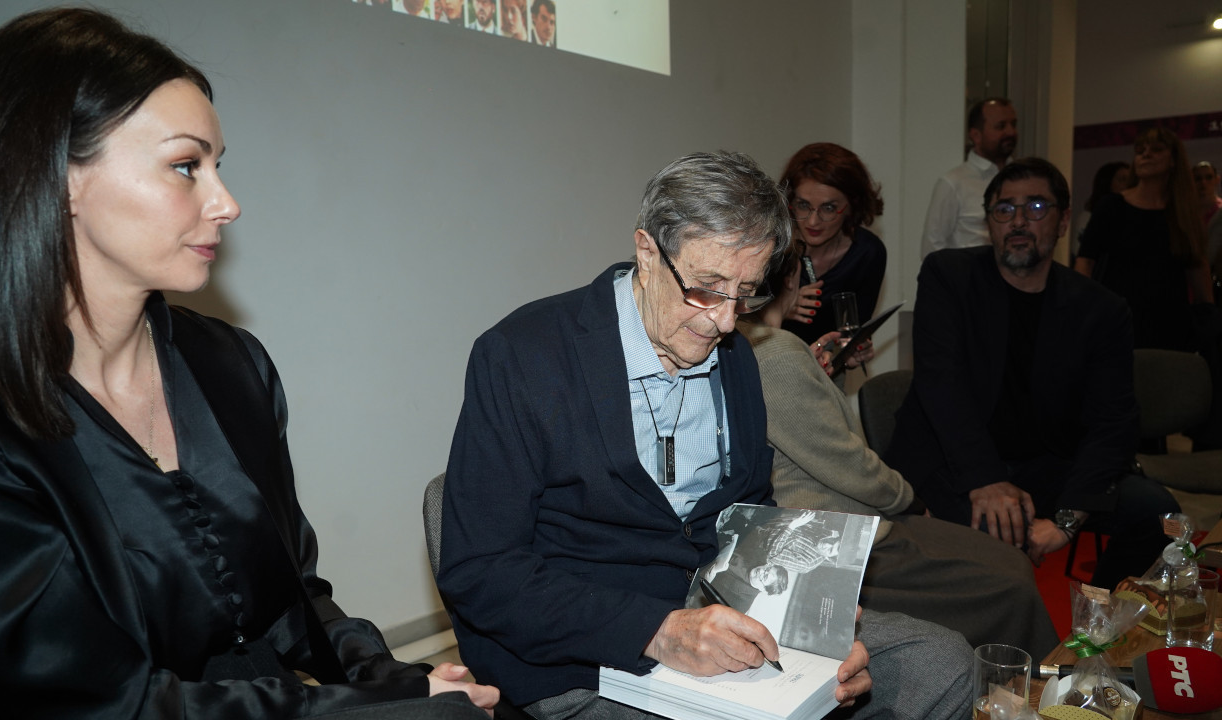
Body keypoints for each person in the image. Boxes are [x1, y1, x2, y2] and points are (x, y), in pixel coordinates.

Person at [0, 9, 498, 719]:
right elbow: (99, 703)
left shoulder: (231, 364)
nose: (227, 204)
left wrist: (399, 681)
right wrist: (373, 711)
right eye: (185, 167)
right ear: (59, 175)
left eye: (218, 167)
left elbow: (295, 599)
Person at [439, 150, 974, 720]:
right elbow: (481, 571)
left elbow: (749, 513)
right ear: (648, 253)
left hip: (723, 619)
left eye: (746, 292)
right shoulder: (523, 357)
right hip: (587, 654)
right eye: (707, 287)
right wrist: (658, 630)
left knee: (942, 662)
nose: (724, 321)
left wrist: (809, 616)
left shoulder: (735, 354)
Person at [737, 253, 1060, 660]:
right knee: (1011, 582)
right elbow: (845, 462)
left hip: (843, 518)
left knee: (1009, 564)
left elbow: (801, 432)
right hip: (840, 531)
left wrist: (818, 370)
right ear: (791, 277)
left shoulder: (755, 343)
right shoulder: (775, 351)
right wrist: (909, 498)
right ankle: (1022, 683)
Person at [885, 158, 1180, 590]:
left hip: (1049, 466)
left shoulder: (1101, 309)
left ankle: (1098, 615)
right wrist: (985, 479)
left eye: (1036, 207)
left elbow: (1114, 421)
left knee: (1157, 513)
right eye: (1004, 209)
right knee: (994, 550)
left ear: (1063, 220)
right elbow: (941, 385)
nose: (1019, 221)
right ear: (989, 222)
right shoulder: (948, 276)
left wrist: (1067, 521)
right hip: (954, 460)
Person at [1076, 127, 1212, 351]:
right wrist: (1086, 309)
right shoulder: (1112, 206)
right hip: (1118, 323)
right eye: (1140, 150)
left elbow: (1199, 274)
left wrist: (1208, 325)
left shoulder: (1183, 213)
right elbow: (1085, 261)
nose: (1145, 154)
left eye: (1156, 149)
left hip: (1172, 327)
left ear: (1173, 160)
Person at [778, 143, 886, 368]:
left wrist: (852, 351)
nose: (813, 221)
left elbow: (851, 334)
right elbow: (737, 325)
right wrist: (779, 309)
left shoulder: (867, 253)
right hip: (768, 365)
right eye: (803, 205)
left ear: (852, 206)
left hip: (826, 370)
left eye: (828, 208)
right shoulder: (773, 244)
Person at [921, 98, 1018, 257]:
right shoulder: (954, 183)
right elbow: (932, 249)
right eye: (1001, 126)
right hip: (968, 272)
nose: (1010, 132)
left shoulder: (1022, 180)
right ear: (976, 135)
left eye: (1013, 124)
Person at [1071, 161, 1131, 264]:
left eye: (1131, 180)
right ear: (1107, 183)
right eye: (1122, 180)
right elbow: (1082, 256)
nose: (1128, 185)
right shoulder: (1087, 218)